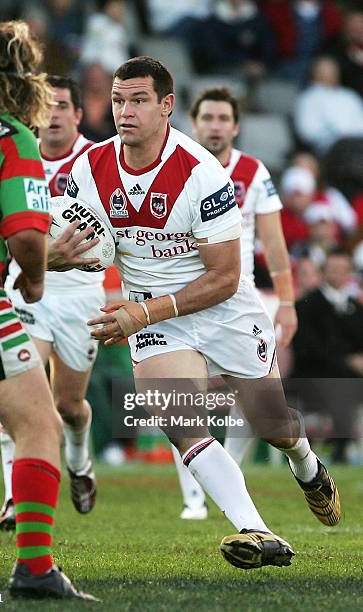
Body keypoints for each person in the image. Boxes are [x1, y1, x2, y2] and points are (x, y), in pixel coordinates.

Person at [70, 56, 340, 570]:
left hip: (222, 309)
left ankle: (306, 464)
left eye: (139, 100)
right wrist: (63, 254)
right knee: (177, 416)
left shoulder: (202, 172)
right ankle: (254, 530)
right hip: (156, 316)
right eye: (118, 100)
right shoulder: (91, 168)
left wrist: (143, 314)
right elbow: (81, 242)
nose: (125, 112)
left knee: (273, 425)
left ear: (167, 106)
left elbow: (223, 278)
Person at [0, 21, 96, 600]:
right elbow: (28, 236)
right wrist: (34, 277)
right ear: (21, 78)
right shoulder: (11, 135)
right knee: (37, 423)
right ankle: (35, 568)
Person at [168, 86, 298, 519]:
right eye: (208, 118)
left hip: (237, 298)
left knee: (253, 400)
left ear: (236, 126)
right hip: (185, 296)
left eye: (224, 118)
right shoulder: (175, 164)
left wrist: (288, 302)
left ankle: (230, 471)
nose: (216, 126)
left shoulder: (253, 171)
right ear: (194, 121)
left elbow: (275, 245)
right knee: (182, 397)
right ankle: (193, 500)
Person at [0, 75, 102, 530]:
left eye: (63, 105)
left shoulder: (98, 160)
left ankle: (79, 463)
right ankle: (12, 499)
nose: (54, 114)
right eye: (47, 105)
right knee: (18, 396)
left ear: (78, 114)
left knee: (69, 406)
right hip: (26, 288)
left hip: (81, 295)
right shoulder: (16, 156)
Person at [292, 249, 363, 463]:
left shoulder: (356, 308)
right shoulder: (306, 305)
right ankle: (339, 449)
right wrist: (348, 361)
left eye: (343, 270)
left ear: (350, 273)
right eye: (333, 270)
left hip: (349, 375)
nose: (338, 275)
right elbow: (307, 348)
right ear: (323, 272)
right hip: (311, 374)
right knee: (341, 383)